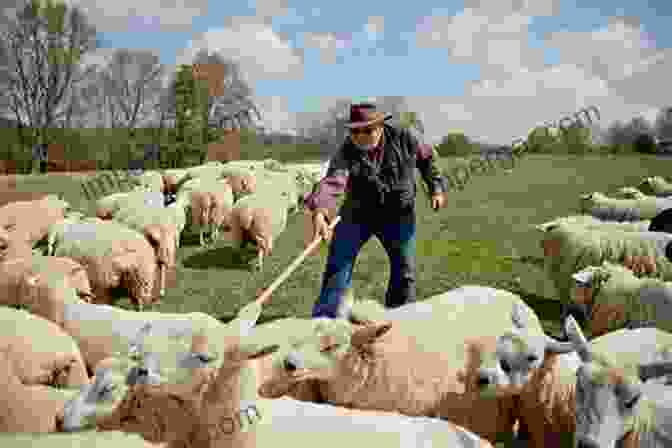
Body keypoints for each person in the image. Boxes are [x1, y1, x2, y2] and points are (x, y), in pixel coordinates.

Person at [303, 102, 448, 318]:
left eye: (368, 130)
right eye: (355, 131)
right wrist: (321, 211)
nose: (360, 136)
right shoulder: (347, 150)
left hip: (398, 215)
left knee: (404, 272)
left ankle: (400, 320)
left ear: (381, 126)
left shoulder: (406, 139)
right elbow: (334, 180)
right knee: (337, 265)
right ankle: (325, 321)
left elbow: (427, 160)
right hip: (357, 214)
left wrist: (436, 187)